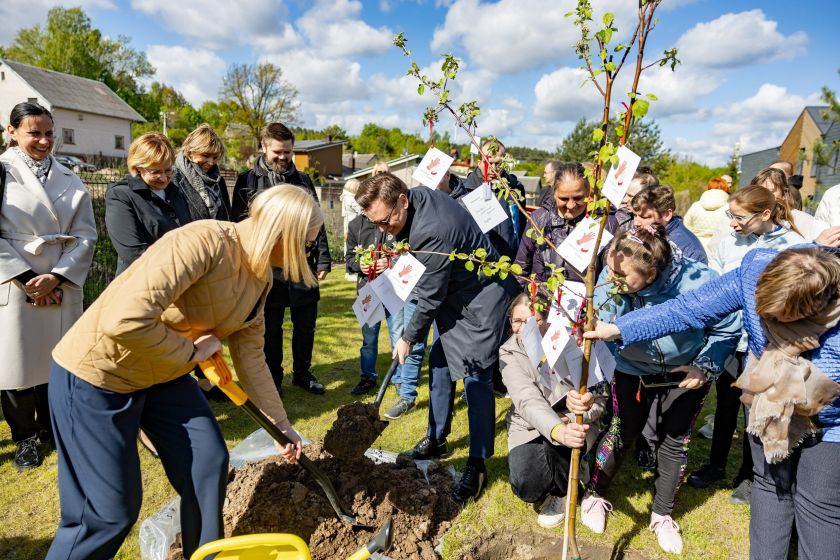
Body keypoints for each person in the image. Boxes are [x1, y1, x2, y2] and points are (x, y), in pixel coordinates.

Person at [46, 185, 318, 560]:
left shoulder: (260, 278)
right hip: (98, 375)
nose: (306, 253)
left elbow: (251, 357)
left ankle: (204, 555)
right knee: (107, 513)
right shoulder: (203, 242)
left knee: (208, 462)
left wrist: (280, 424)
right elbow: (122, 319)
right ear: (282, 234)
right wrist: (191, 352)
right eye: (305, 243)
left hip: (161, 374)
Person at [584, 246, 840, 560]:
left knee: (819, 504)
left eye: (780, 320)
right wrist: (622, 328)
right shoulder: (755, 270)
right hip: (769, 403)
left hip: (830, 421)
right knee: (771, 487)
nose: (766, 323)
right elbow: (690, 308)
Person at [355, 173, 515, 503]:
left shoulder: (433, 230)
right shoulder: (415, 200)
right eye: (377, 225)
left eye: (385, 222)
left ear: (402, 200)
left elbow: (428, 298)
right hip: (456, 295)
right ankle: (437, 438)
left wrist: (407, 338)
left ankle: (478, 462)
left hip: (482, 298)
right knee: (440, 363)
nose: (383, 230)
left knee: (476, 375)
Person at [579, 225, 739, 554]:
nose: (613, 279)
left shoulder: (699, 281)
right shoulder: (611, 276)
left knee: (674, 442)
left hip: (685, 373)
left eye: (623, 277)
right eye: (610, 268)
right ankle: (594, 493)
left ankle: (662, 514)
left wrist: (705, 366)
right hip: (632, 371)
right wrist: (616, 356)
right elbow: (597, 320)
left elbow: (727, 328)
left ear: (651, 273)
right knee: (622, 431)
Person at [688, 185, 805, 501]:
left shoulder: (793, 246)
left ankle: (752, 476)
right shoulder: (729, 242)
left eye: (739, 217)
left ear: (765, 214)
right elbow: (714, 285)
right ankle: (716, 465)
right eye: (730, 215)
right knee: (724, 406)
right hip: (731, 340)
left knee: (755, 413)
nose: (732, 223)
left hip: (765, 347)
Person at [0, 102, 96, 471]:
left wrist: (57, 277)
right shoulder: (3, 172)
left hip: (60, 279)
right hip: (15, 281)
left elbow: (86, 234)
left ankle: (53, 428)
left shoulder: (70, 176)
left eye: (49, 133)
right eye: (33, 133)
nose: (43, 141)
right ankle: (24, 438)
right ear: (12, 132)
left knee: (55, 362)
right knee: (17, 365)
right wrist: (28, 281)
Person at [231, 123, 331, 395]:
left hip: (301, 265)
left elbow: (316, 222)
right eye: (277, 151)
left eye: (287, 152)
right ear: (264, 147)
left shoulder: (303, 180)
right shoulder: (247, 181)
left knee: (305, 325)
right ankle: (273, 377)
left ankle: (302, 373)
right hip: (267, 268)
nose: (283, 157)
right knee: (270, 327)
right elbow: (238, 224)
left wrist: (323, 259)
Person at [501, 293, 606, 528]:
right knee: (526, 484)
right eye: (517, 321)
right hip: (529, 425)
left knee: (564, 448)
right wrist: (557, 428)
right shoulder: (508, 351)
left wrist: (582, 409)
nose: (523, 328)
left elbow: (600, 399)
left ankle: (564, 492)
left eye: (533, 321)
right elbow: (526, 400)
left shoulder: (574, 343)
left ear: (548, 321)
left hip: (573, 423)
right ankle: (564, 473)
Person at [344, 212, 427, 419]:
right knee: (369, 339)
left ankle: (399, 379)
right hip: (368, 290)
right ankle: (368, 377)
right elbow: (349, 259)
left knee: (398, 335)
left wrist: (389, 263)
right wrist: (359, 265)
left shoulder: (395, 224)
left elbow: (407, 254)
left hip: (394, 290)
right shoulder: (356, 225)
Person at [515, 162, 618, 286]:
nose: (570, 206)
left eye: (578, 198)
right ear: (554, 193)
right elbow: (520, 268)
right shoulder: (539, 219)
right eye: (563, 199)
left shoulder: (604, 223)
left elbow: (609, 276)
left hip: (585, 303)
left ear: (588, 193)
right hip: (541, 301)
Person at [106, 132, 193, 275]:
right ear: (138, 167)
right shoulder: (121, 196)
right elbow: (132, 252)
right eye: (155, 172)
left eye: (168, 170)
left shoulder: (176, 192)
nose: (164, 178)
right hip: (142, 281)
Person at [451, 138, 526, 259]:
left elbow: (521, 226)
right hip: (481, 263)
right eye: (488, 163)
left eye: (498, 163)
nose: (493, 168)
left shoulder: (515, 189)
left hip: (511, 261)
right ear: (480, 161)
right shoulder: (466, 191)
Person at [631, 184, 707, 264]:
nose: (636, 223)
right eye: (635, 215)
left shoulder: (690, 251)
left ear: (666, 215)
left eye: (644, 217)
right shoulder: (648, 232)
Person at [171, 123, 231, 222]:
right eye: (205, 155)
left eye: (215, 157)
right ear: (190, 152)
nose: (211, 162)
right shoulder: (173, 178)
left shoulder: (218, 180)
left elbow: (227, 215)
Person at [751, 168, 828, 241]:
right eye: (759, 191)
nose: (764, 195)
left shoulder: (802, 220)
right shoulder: (746, 218)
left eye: (771, 191)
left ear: (784, 194)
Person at [683, 177, 731, 255]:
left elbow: (686, 225)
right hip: (719, 248)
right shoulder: (729, 208)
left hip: (696, 246)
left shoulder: (695, 206)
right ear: (725, 189)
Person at [341, 178, 363, 281]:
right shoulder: (351, 198)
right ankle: (350, 272)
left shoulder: (344, 197)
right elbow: (359, 210)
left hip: (348, 223)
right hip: (354, 224)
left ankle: (349, 272)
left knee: (349, 248)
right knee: (353, 248)